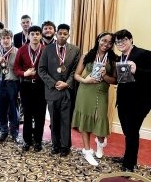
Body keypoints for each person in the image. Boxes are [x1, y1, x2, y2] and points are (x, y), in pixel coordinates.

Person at [71, 32, 117, 166]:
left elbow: (115, 81)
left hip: (101, 92)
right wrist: (85, 80)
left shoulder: (113, 59)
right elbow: (76, 75)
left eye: (109, 42)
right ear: (98, 40)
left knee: (100, 118)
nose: (106, 44)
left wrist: (105, 76)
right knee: (85, 119)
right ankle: (86, 150)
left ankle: (100, 143)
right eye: (104, 40)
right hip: (85, 91)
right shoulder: (87, 55)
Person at [111, 29, 151, 172]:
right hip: (123, 101)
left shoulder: (144, 54)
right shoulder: (119, 58)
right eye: (117, 42)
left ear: (131, 40)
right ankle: (128, 157)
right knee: (128, 132)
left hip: (139, 102)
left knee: (132, 132)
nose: (120, 44)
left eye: (123, 40)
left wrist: (137, 70)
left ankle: (130, 164)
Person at [38, 23, 80, 157]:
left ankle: (65, 146)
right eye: (60, 33)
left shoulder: (75, 50)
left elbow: (75, 70)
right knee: (54, 120)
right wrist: (54, 83)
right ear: (56, 34)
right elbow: (41, 70)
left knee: (65, 120)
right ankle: (55, 145)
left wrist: (66, 84)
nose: (62, 36)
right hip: (52, 90)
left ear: (68, 35)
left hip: (67, 91)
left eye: (65, 34)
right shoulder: (47, 49)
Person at [13, 25, 46, 152]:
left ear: (41, 36)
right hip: (26, 85)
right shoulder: (21, 50)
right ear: (28, 36)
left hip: (40, 86)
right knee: (27, 114)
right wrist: (24, 73)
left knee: (40, 115)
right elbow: (16, 68)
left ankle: (38, 141)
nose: (35, 36)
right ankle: (27, 141)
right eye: (32, 34)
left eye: (38, 34)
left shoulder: (45, 49)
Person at [0, 28, 19, 143]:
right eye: (3, 38)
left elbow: (19, 69)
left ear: (11, 39)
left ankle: (14, 132)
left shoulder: (17, 52)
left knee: (13, 108)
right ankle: (4, 131)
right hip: (1, 83)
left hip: (12, 82)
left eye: (8, 38)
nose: (5, 40)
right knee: (2, 108)